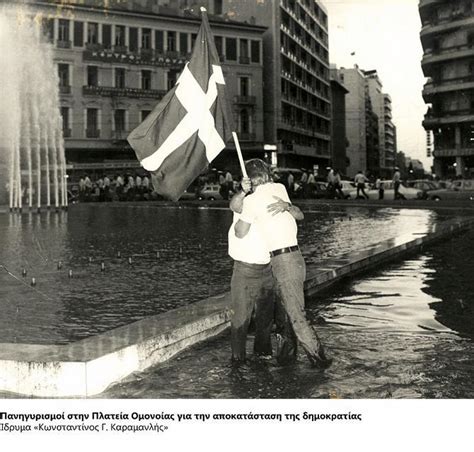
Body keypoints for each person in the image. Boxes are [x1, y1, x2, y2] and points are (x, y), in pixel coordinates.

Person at [235, 159, 332, 368]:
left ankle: (320, 360)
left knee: (296, 315)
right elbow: (299, 215)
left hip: (283, 261)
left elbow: (240, 232)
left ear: (249, 179)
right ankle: (287, 358)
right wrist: (287, 206)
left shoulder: (252, 201)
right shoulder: (279, 188)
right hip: (293, 258)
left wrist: (244, 203)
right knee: (287, 313)